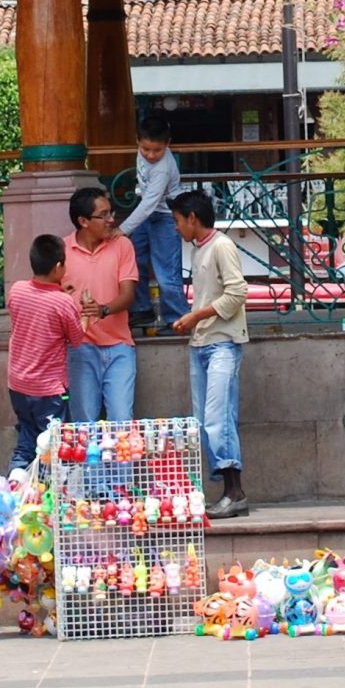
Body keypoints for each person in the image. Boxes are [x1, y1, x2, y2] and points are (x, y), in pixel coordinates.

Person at [171, 189, 250, 517]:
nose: (177, 228)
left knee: (219, 419)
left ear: (192, 218)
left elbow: (237, 293)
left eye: (178, 221)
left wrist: (195, 316)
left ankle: (235, 492)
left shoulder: (221, 245)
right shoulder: (199, 249)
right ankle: (228, 490)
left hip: (223, 343)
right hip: (201, 344)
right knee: (204, 421)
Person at [5, 233, 83, 469]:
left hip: (18, 385)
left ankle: (16, 490)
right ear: (59, 266)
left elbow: (38, 310)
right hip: (48, 391)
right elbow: (77, 338)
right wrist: (84, 314)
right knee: (56, 448)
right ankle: (55, 498)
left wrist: (60, 294)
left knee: (26, 442)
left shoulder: (17, 291)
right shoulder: (62, 303)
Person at [63, 186, 138, 424]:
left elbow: (128, 295)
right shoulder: (62, 251)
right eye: (103, 215)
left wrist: (103, 309)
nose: (111, 220)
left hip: (120, 346)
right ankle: (86, 465)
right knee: (83, 424)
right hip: (79, 347)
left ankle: (121, 465)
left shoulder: (122, 245)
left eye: (111, 213)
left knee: (122, 423)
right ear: (83, 221)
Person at [122, 115, 184, 333]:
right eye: (145, 149)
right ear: (137, 141)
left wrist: (122, 230)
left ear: (167, 145)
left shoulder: (163, 167)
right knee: (132, 260)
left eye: (156, 151)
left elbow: (149, 204)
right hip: (147, 215)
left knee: (166, 272)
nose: (150, 155)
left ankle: (177, 321)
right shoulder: (143, 154)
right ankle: (141, 309)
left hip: (167, 217)